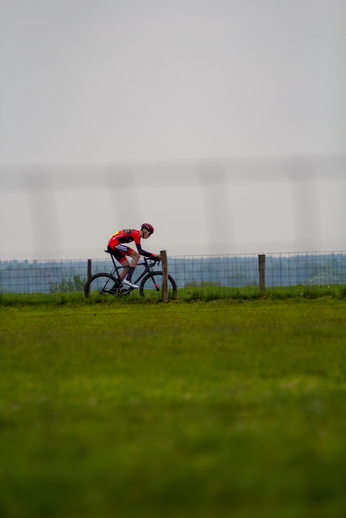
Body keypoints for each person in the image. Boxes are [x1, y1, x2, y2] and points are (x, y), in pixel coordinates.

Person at [107, 223, 160, 289]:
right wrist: (154, 255)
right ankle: (128, 279)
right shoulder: (136, 234)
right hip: (114, 245)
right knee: (136, 256)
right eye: (149, 233)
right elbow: (140, 251)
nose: (149, 236)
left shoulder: (136, 234)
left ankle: (114, 289)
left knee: (127, 268)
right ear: (144, 231)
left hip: (113, 245)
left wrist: (153, 256)